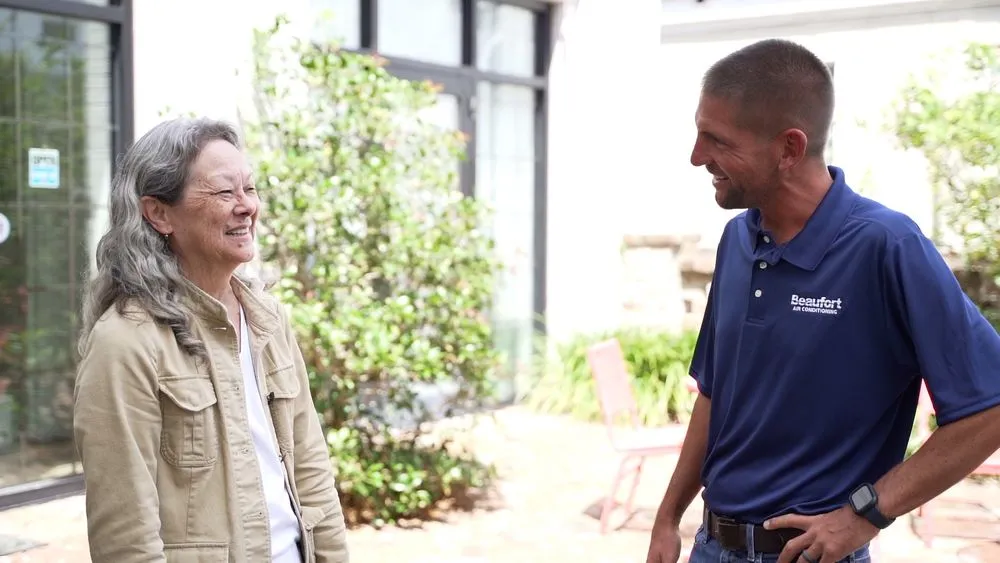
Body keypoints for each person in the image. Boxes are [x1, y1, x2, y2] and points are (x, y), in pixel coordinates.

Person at [645, 39, 1000, 563]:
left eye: (716, 140)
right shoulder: (737, 242)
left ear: (789, 148)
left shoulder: (886, 246)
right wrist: (667, 518)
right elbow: (714, 395)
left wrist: (866, 514)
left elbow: (988, 408)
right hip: (710, 547)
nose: (697, 157)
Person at [73, 117, 350, 563]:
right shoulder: (126, 342)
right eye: (225, 193)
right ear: (159, 213)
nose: (247, 207)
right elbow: (125, 537)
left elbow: (312, 467)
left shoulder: (268, 319)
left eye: (250, 189)